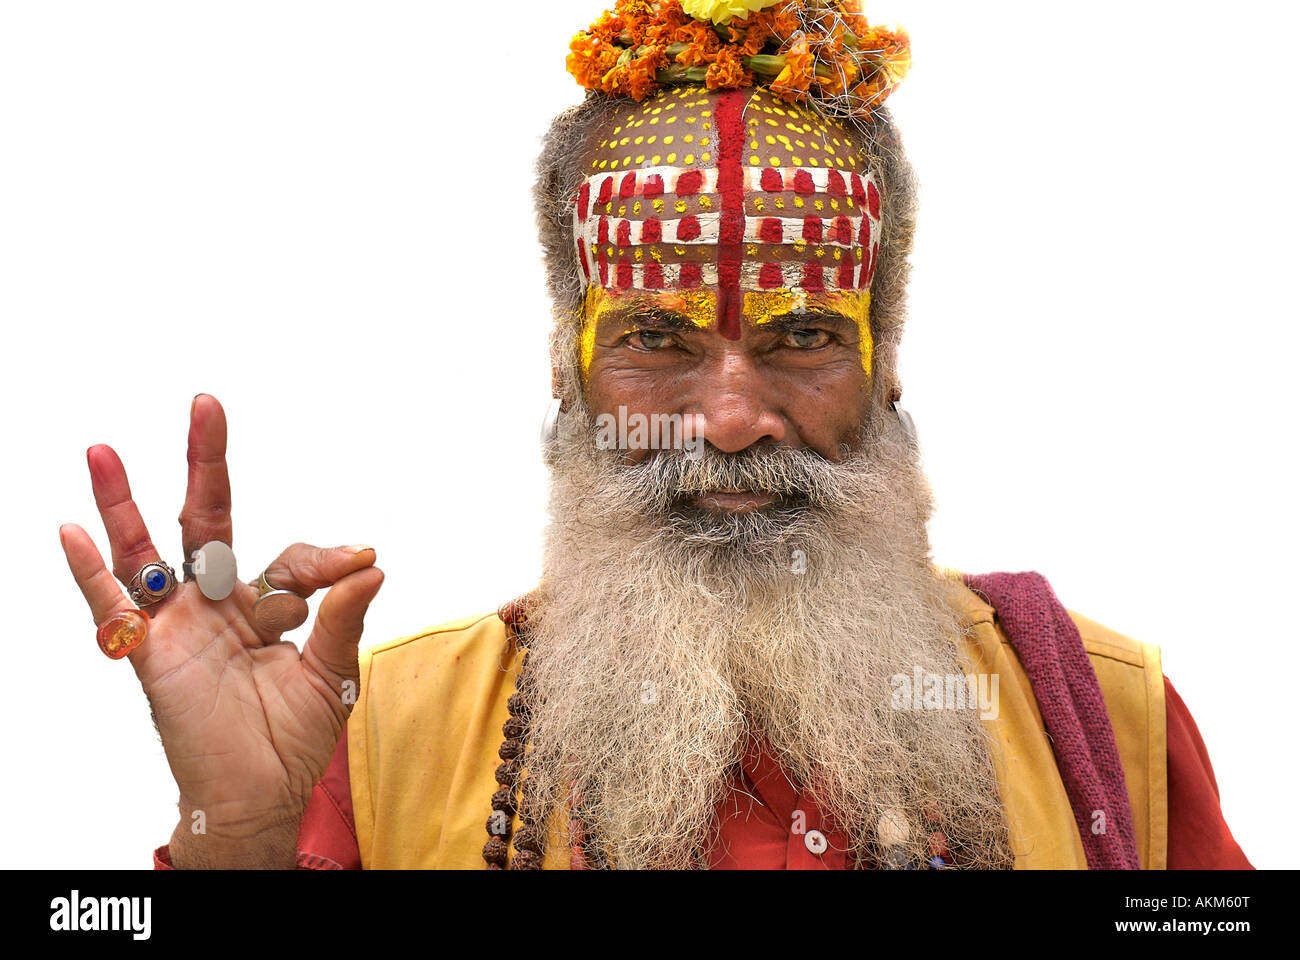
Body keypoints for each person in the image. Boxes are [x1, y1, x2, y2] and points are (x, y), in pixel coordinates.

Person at [61, 0, 1250, 869]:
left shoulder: (1100, 713)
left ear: (883, 371)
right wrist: (247, 835)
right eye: (657, 343)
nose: (730, 421)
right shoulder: (393, 736)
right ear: (569, 376)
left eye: (799, 340)